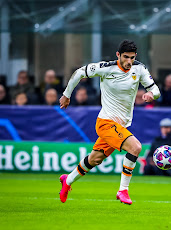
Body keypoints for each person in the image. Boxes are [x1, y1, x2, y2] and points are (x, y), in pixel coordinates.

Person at [59, 40, 161, 205]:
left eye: (132, 58)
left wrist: (151, 95)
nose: (129, 61)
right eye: (126, 57)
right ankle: (123, 190)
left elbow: (155, 89)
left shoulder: (139, 68)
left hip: (120, 126)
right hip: (106, 122)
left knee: (94, 159)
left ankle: (67, 180)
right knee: (135, 147)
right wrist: (67, 95)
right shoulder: (106, 68)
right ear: (118, 55)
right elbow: (79, 72)